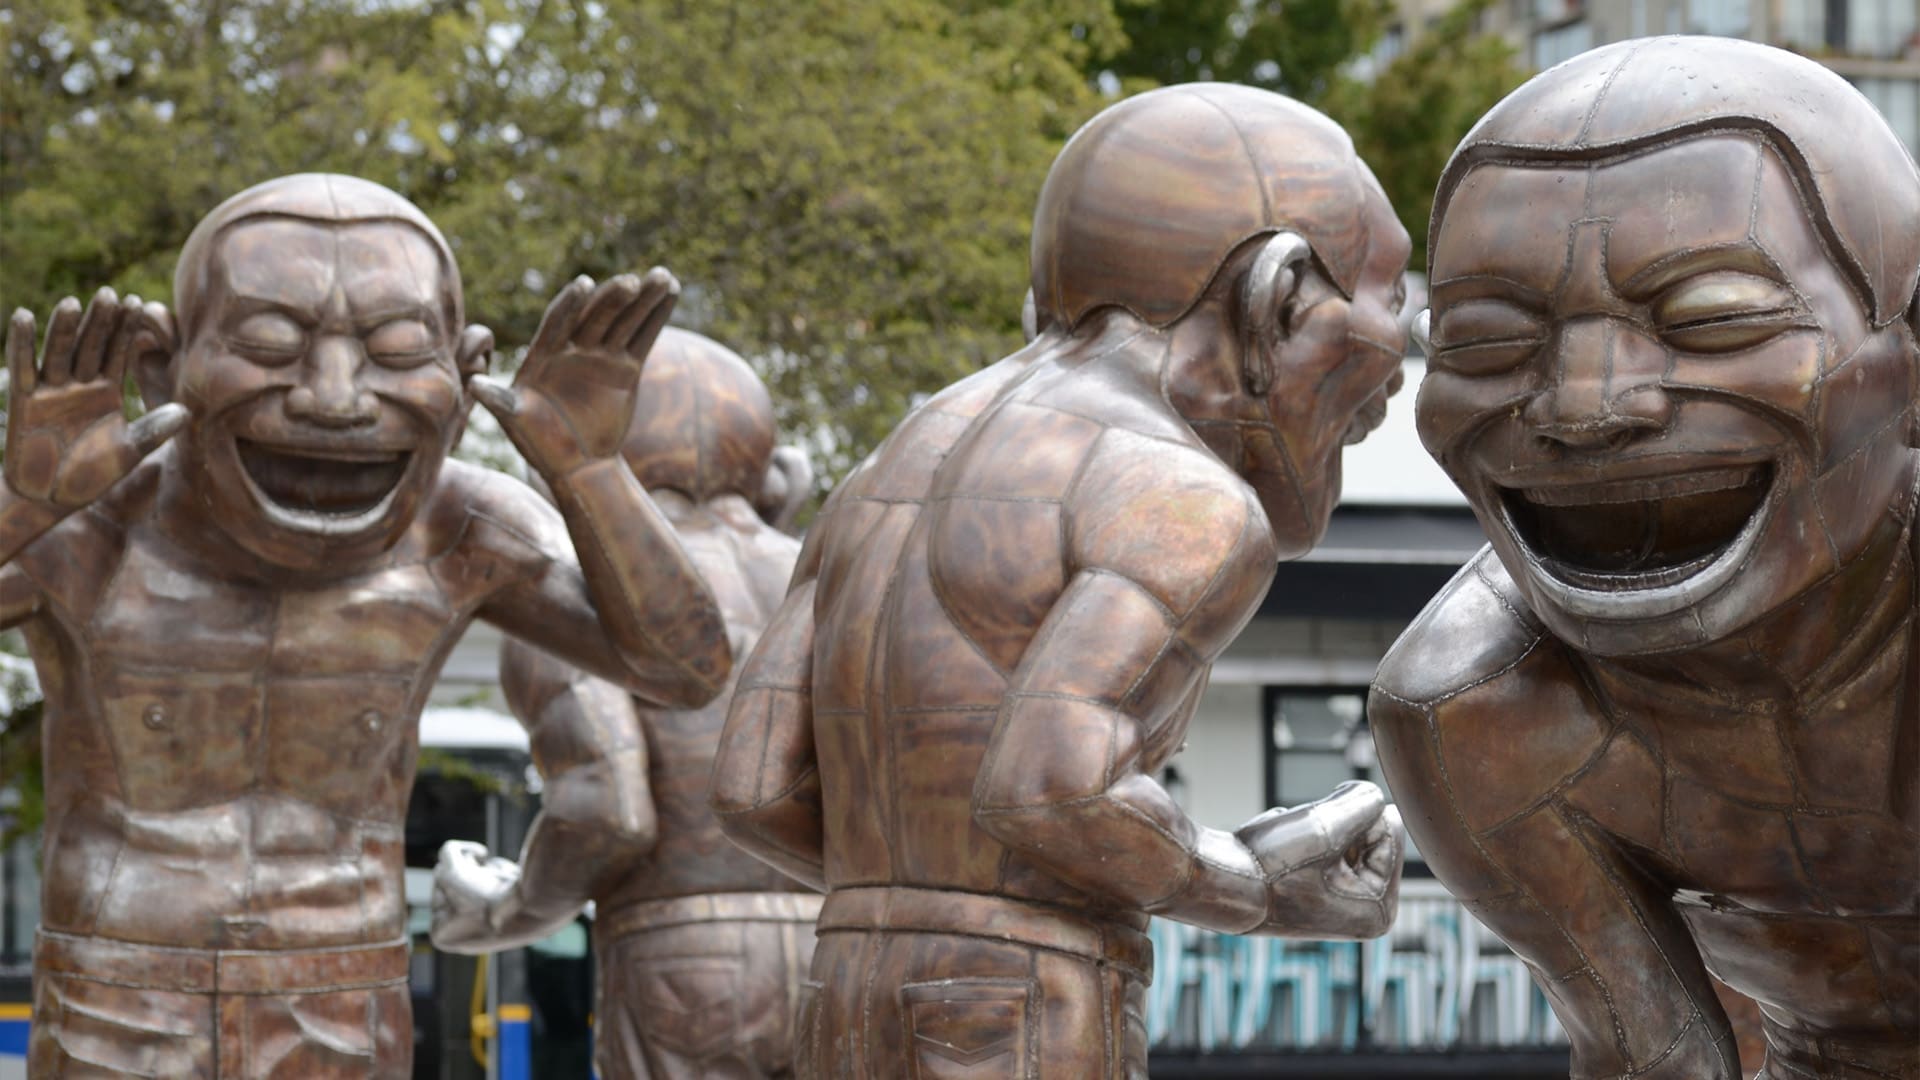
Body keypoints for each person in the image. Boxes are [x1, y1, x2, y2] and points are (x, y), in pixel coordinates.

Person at [710, 83, 1409, 1078]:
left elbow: (753, 789)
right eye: (1393, 296)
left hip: (844, 995)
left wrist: (933, 885)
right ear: (1281, 294)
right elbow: (1052, 790)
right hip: (1027, 1008)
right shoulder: (1178, 493)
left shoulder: (889, 466)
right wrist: (1249, 881)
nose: (1398, 356)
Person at [0, 173, 731, 1076]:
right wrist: (22, 506)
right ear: (161, 363)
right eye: (269, 341)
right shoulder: (89, 522)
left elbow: (687, 668)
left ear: (463, 378)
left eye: (394, 350)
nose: (334, 396)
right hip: (114, 996)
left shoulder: (461, 529)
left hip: (344, 999)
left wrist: (589, 472)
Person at [1371, 37, 1919, 1079]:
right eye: (1487, 339)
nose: (1586, 405)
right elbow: (1654, 1060)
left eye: (1712, 317)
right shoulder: (1479, 711)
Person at [431, 327, 821, 1080]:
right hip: (839, 952)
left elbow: (607, 810)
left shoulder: (589, 591)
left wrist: (500, 913)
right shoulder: (824, 578)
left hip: (681, 966)